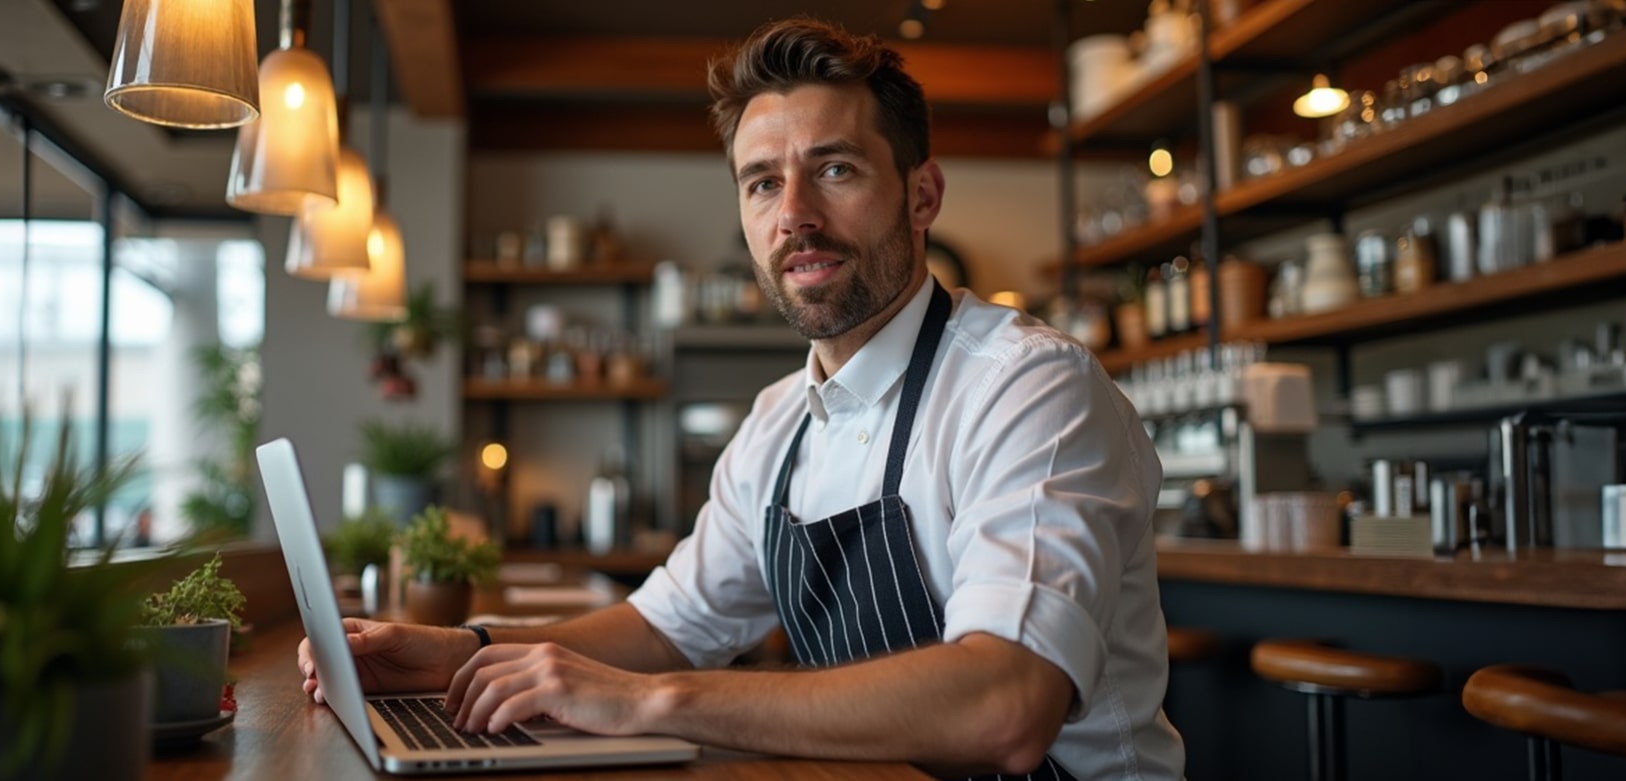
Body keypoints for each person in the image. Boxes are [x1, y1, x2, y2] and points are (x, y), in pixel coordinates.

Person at [300, 17, 1184, 780]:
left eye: (834, 169)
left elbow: (1005, 706)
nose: (793, 211)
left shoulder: (1025, 385)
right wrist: (464, 651)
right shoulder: (778, 425)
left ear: (922, 195)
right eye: (763, 181)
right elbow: (668, 624)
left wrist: (649, 704)